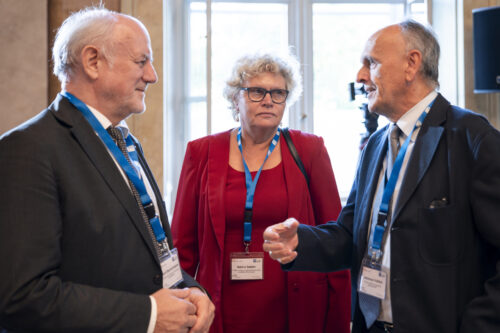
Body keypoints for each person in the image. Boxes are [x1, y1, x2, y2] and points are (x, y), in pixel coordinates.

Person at [263, 19, 500, 333]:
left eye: (370, 63)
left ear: (411, 64)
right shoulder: (375, 145)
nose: (360, 76)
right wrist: (299, 242)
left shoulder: (473, 138)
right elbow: (350, 236)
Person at [0, 7, 214, 333]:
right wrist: (148, 315)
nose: (153, 75)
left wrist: (190, 291)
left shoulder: (126, 143)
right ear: (93, 62)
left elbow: (150, 250)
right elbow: (23, 298)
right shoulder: (27, 149)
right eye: (142, 61)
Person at [171, 53, 351, 333]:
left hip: (296, 308)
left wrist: (340, 318)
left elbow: (335, 240)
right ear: (235, 99)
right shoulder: (201, 152)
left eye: (278, 93)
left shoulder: (309, 150)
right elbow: (182, 247)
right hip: (219, 308)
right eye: (257, 91)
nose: (268, 100)